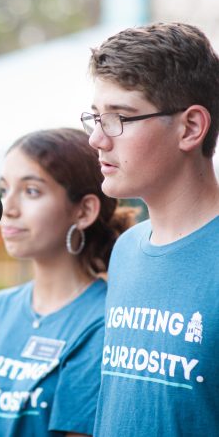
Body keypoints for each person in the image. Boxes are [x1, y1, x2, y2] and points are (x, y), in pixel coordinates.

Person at [0, 128, 136, 436]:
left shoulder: (105, 322)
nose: (8, 208)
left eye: (31, 191)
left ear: (84, 210)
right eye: (4, 190)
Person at [81, 22, 219, 436]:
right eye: (95, 117)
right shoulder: (127, 249)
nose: (95, 139)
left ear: (191, 128)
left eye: (119, 118)